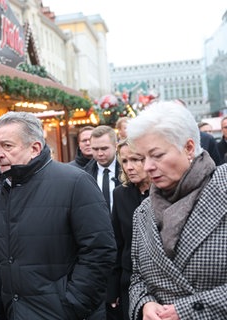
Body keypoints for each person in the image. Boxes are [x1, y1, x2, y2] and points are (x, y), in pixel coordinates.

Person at [0, 112, 116, 319]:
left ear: (34, 148)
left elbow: (99, 251)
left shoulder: (76, 182)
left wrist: (70, 305)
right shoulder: (3, 190)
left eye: (7, 146)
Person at [127, 101, 227, 319]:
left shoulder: (224, 187)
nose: (147, 167)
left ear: (189, 147)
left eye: (157, 155)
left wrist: (186, 311)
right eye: (142, 158)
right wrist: (144, 304)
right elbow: (137, 278)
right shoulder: (142, 213)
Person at [107, 139, 151, 320]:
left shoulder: (165, 191)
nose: (129, 167)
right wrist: (112, 288)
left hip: (160, 283)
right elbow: (117, 243)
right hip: (129, 281)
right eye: (124, 161)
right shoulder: (120, 194)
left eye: (135, 160)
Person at [84, 125, 121, 211]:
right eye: (95, 149)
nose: (100, 153)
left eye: (104, 148)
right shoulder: (85, 175)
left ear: (116, 146)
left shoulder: (128, 171)